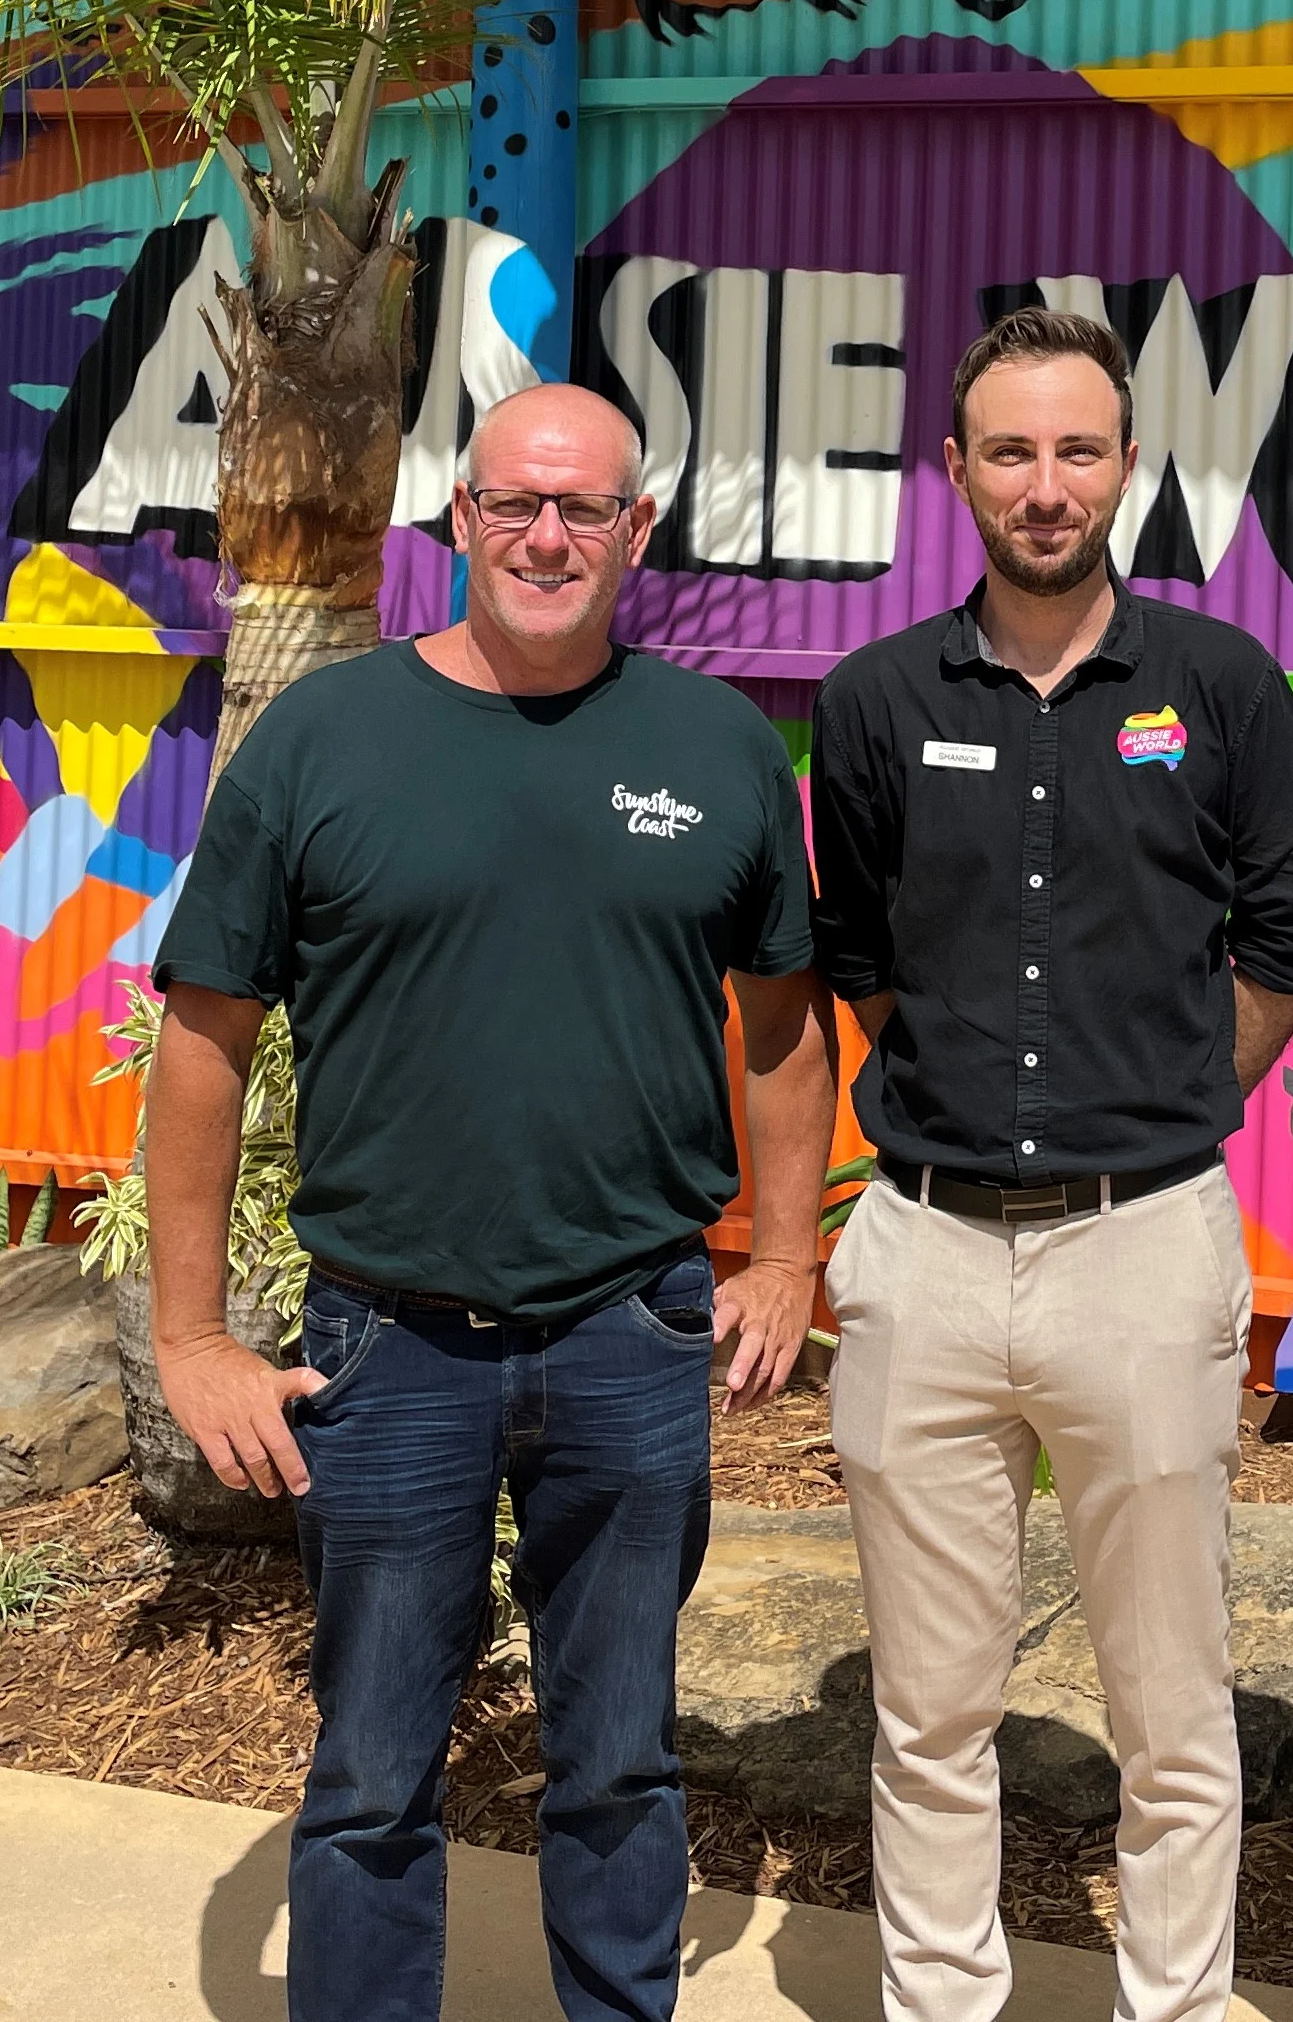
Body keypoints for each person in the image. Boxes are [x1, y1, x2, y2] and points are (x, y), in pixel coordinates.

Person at [145, 380, 838, 2022]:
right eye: (516, 503)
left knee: (617, 1764)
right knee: (375, 1774)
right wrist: (188, 1335)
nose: (547, 535)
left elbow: (788, 1031)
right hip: (388, 1352)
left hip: (633, 1333)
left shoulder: (717, 747)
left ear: (635, 532)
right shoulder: (326, 740)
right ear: (459, 520)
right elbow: (201, 1041)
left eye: (583, 507)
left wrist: (789, 1256)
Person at [807, 306, 1293, 2022]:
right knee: (929, 1707)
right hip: (927, 1252)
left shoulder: (1221, 688)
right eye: (1013, 452)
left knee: (1171, 1710)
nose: (1048, 487)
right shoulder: (878, 698)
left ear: (1128, 465)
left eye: (1080, 451)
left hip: (1144, 1246)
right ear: (953, 468)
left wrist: (1176, 1094)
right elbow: (857, 949)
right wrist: (960, 1099)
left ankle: (1169, 2007)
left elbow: (1291, 933)